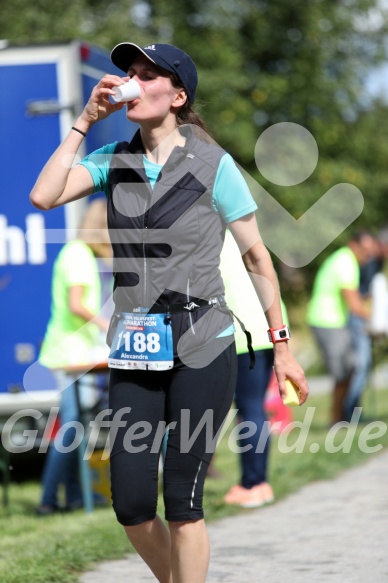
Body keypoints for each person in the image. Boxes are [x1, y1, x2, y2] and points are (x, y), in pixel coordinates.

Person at [30, 41, 309, 583]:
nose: (131, 80)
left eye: (146, 74)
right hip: (134, 343)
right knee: (132, 504)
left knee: (183, 501)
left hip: (204, 342)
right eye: (129, 72)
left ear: (177, 95)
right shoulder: (112, 161)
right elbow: (43, 197)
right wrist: (85, 120)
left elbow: (257, 259)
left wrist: (281, 346)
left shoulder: (214, 165)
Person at [36, 199, 111, 515]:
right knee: (72, 427)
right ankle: (49, 500)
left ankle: (78, 496)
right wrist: (109, 326)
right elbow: (77, 305)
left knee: (77, 424)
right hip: (70, 354)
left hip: (73, 351)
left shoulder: (78, 253)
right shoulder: (79, 254)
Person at [220, 229, 290, 508]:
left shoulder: (213, 239)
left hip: (240, 334)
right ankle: (258, 481)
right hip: (267, 330)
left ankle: (253, 483)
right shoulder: (247, 236)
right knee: (255, 408)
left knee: (248, 409)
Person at [306, 231, 375, 425]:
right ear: (354, 245)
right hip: (327, 321)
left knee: (350, 368)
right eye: (365, 251)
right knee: (343, 372)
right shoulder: (346, 263)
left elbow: (352, 299)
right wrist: (378, 319)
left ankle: (341, 417)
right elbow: (355, 306)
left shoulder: (344, 259)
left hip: (334, 321)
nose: (367, 257)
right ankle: (336, 419)